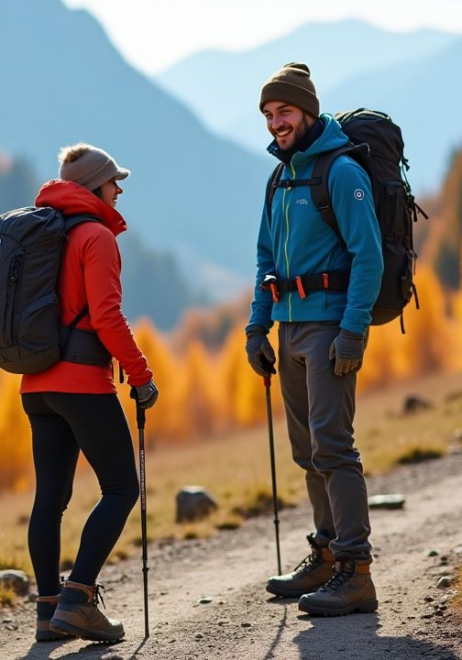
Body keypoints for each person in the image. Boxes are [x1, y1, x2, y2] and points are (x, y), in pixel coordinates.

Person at [245, 63, 383, 616]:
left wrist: (352, 332)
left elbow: (368, 255)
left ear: (307, 111)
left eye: (285, 112)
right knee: (307, 452)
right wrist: (258, 324)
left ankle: (356, 571)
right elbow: (264, 259)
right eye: (269, 114)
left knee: (333, 446)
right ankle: (326, 556)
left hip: (329, 328)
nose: (277, 123)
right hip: (289, 326)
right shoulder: (279, 179)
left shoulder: (342, 171)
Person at [20, 144, 158, 642]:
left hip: (36, 384)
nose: (118, 190)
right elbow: (106, 316)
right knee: (122, 488)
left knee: (49, 500)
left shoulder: (41, 235)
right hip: (81, 380)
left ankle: (47, 611)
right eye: (112, 182)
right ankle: (78, 599)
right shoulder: (95, 236)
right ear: (93, 187)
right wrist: (140, 375)